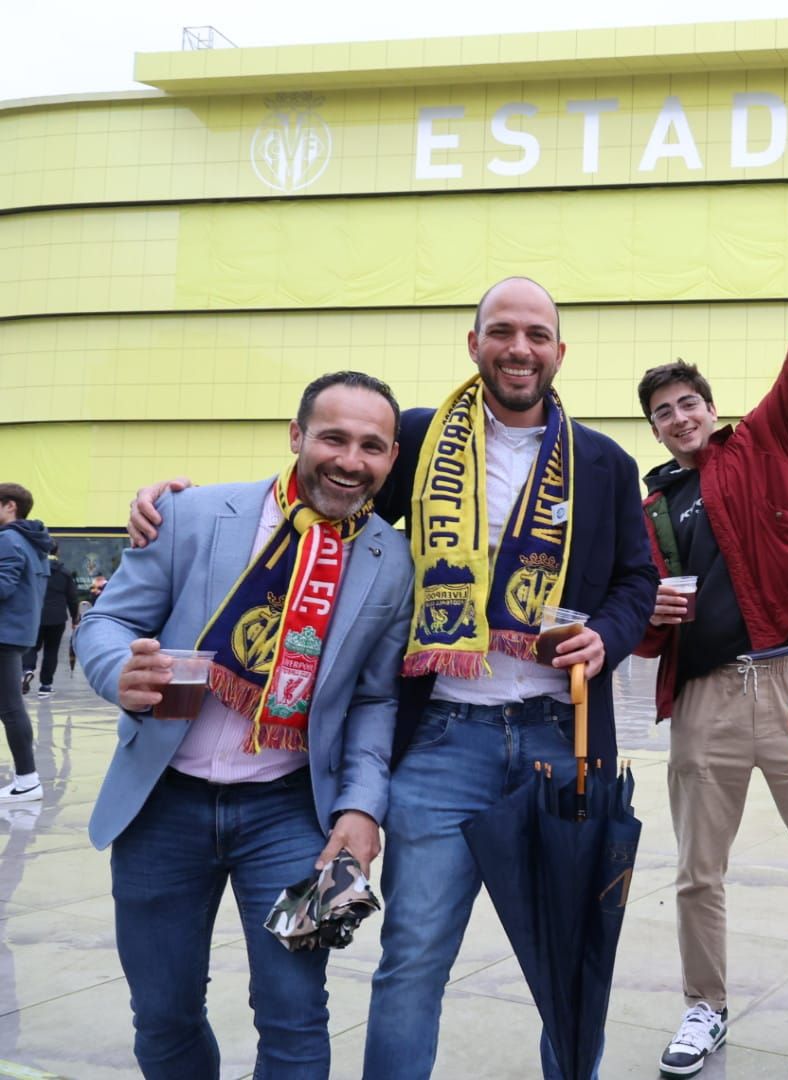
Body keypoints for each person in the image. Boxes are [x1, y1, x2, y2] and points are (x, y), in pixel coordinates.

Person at [129, 280, 658, 1080]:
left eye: (537, 335)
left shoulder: (605, 462)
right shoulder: (416, 438)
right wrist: (178, 497)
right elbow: (324, 482)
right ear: (473, 343)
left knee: (571, 966)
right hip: (443, 736)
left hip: (559, 736)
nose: (520, 348)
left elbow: (636, 580)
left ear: (559, 352)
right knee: (412, 960)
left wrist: (608, 636)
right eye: (502, 332)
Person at [77, 372, 415, 1078]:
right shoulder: (193, 514)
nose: (350, 460)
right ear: (296, 437)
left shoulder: (392, 561)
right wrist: (120, 673)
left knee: (296, 1016)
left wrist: (362, 807)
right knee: (163, 1014)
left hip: (296, 816)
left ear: (389, 459)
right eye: (333, 437)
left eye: (372, 446)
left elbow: (376, 700)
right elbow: (109, 620)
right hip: (159, 809)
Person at [634, 221, 788, 1080]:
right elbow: (637, 614)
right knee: (699, 872)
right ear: (656, 429)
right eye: (662, 413)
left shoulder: (769, 444)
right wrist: (651, 616)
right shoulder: (652, 504)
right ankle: (705, 1008)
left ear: (710, 405)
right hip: (704, 698)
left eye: (687, 403)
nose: (678, 418)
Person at [0, 483, 51, 805]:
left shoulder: (7, 539)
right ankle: (26, 779)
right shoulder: (34, 543)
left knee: (11, 709)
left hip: (3, 634)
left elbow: (3, 586)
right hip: (16, 632)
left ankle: (28, 781)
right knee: (10, 707)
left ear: (9, 507)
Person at [22, 541, 80, 696]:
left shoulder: (34, 570)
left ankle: (27, 670)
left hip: (35, 615)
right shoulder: (65, 572)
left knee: (31, 646)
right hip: (57, 618)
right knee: (51, 651)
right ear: (58, 551)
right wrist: (75, 618)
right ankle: (45, 686)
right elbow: (73, 598)